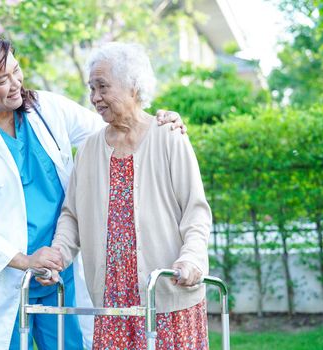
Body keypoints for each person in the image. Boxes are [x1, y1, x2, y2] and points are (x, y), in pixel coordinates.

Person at [0, 34, 186, 350]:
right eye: (2, 80)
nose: (15, 83)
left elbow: (113, 130)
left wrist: (159, 123)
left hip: (59, 268)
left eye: (16, 70)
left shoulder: (46, 108)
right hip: (6, 277)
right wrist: (25, 260)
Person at [48, 42, 212, 349]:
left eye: (103, 87)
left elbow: (196, 211)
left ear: (133, 86)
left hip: (166, 297)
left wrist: (191, 259)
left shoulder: (168, 137)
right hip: (113, 304)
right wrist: (58, 254)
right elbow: (72, 215)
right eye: (91, 88)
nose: (95, 98)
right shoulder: (87, 150)